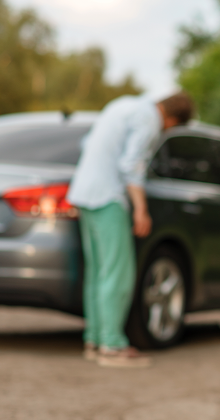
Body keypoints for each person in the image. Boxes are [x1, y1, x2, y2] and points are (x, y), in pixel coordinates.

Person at [67, 92, 194, 368]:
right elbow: (131, 165)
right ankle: (112, 345)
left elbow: (87, 143)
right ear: (172, 119)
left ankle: (95, 340)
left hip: (84, 193)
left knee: (99, 272)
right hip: (108, 197)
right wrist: (140, 209)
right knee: (118, 273)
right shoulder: (149, 120)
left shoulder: (122, 105)